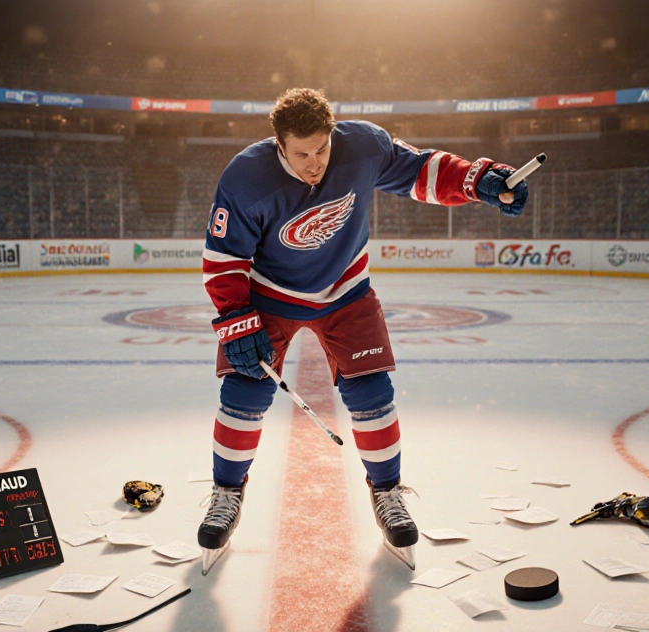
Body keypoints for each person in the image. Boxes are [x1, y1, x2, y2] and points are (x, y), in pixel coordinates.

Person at [197, 88, 529, 574]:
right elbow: (224, 260)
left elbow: (421, 171)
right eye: (302, 154)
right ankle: (226, 492)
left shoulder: (364, 146)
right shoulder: (245, 178)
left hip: (345, 288)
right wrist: (234, 319)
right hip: (268, 294)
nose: (315, 164)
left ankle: (388, 492)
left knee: (372, 389)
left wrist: (479, 180)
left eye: (322, 149)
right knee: (245, 390)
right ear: (279, 145)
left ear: (333, 135)